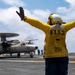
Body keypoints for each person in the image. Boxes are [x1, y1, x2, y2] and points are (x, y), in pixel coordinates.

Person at [16, 7, 75, 75]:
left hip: (51, 56)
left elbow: (37, 23)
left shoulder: (48, 28)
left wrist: (25, 18)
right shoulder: (65, 27)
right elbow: (73, 23)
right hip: (63, 56)